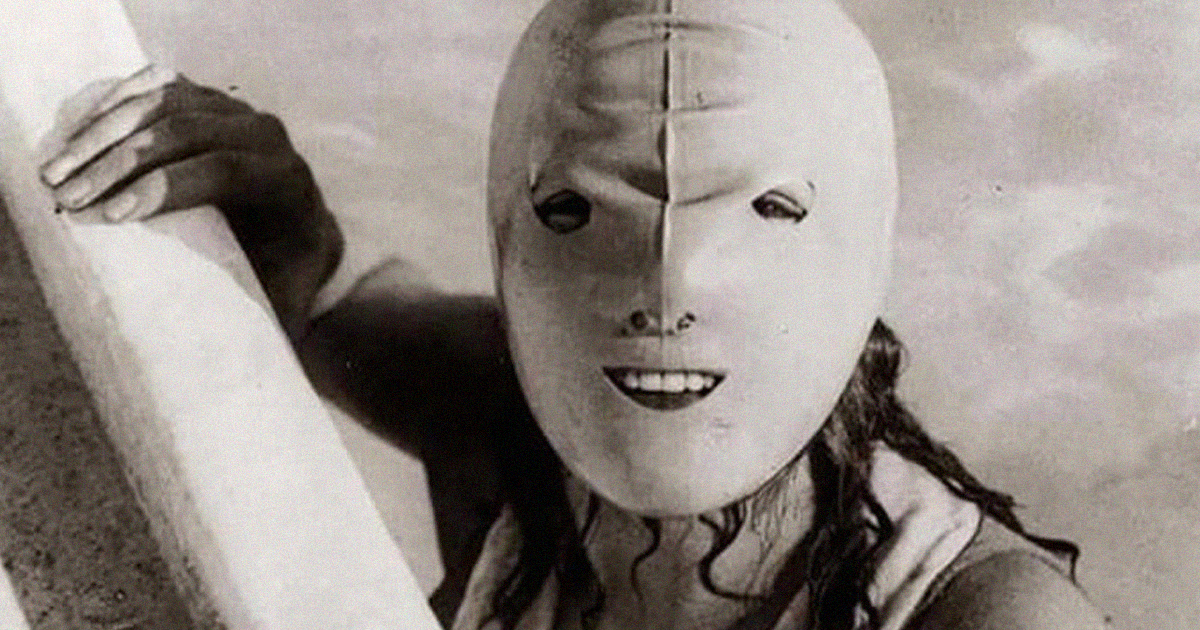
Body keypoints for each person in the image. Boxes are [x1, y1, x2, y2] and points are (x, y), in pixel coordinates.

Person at [40, 0, 1111, 628]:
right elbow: (329, 299)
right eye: (575, 213)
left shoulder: (983, 616)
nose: (667, 292)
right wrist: (274, 196)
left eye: (766, 211)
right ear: (511, 238)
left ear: (859, 254)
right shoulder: (510, 422)